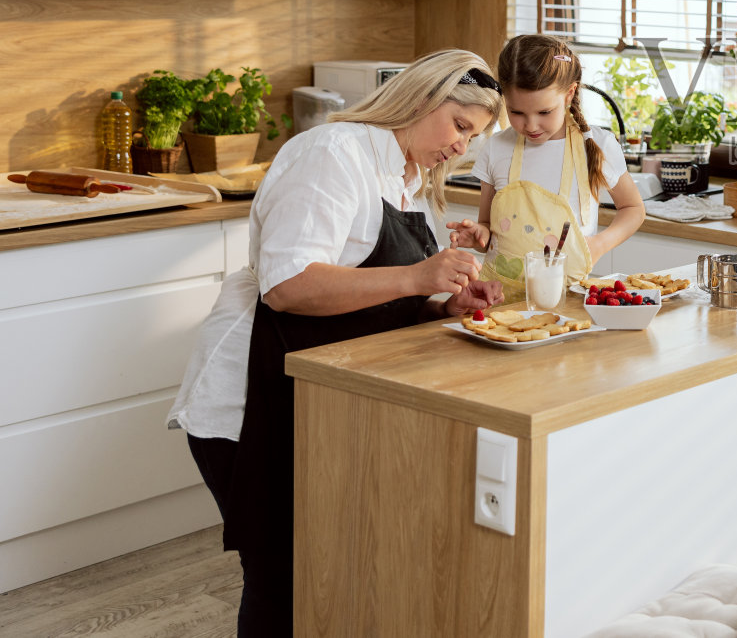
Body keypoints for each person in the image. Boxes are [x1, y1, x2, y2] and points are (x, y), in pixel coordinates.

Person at [166, 49, 504, 637]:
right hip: (254, 399)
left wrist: (440, 303)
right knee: (283, 578)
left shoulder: (406, 175)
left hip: (318, 396)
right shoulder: (333, 153)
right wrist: (419, 276)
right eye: (459, 126)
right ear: (422, 98)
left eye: (472, 138)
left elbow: (372, 291)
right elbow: (289, 287)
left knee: (329, 572)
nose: (461, 147)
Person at [448, 35, 645, 297]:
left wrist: (598, 245)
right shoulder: (496, 148)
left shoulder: (597, 144)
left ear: (569, 94)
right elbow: (487, 226)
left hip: (569, 298)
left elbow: (633, 209)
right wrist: (478, 236)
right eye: (516, 112)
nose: (530, 125)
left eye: (544, 112)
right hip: (499, 299)